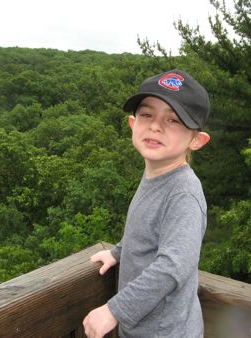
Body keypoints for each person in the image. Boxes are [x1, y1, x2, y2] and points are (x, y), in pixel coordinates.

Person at [83, 69, 211, 338]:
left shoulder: (183, 192)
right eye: (147, 114)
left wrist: (114, 311)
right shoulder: (156, 173)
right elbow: (146, 229)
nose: (156, 126)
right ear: (133, 124)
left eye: (174, 120)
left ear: (196, 140)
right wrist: (118, 252)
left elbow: (173, 266)